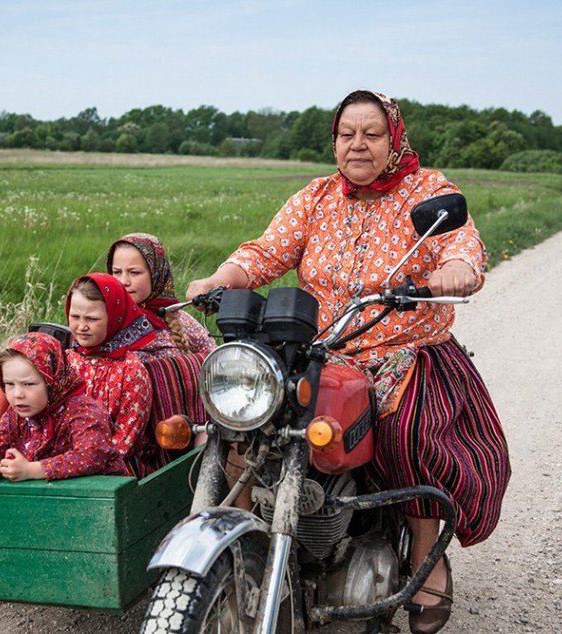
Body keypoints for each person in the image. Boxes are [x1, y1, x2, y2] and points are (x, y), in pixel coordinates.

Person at [186, 90, 511, 634]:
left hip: (401, 348)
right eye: (347, 134)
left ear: (393, 138)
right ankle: (251, 535)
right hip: (324, 347)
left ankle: (424, 558)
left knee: (406, 431)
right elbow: (266, 252)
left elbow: (462, 247)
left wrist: (455, 269)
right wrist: (222, 278)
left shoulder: (429, 190)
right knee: (246, 416)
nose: (358, 144)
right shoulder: (317, 196)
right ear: (334, 140)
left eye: (371, 133)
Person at [0, 332, 129, 496]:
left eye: (28, 384)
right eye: (9, 384)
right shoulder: (15, 416)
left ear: (52, 379)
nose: (17, 394)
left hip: (101, 499)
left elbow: (90, 456)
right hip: (51, 499)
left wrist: (31, 470)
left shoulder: (84, 412)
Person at [65, 272, 162, 477]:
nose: (81, 327)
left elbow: (125, 441)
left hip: (112, 469)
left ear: (114, 317)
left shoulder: (131, 372)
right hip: (62, 462)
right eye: (75, 317)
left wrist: (78, 466)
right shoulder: (64, 362)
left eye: (92, 319)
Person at [106, 232, 215, 361]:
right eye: (117, 272)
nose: (124, 281)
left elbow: (216, 363)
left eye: (134, 272)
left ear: (156, 274)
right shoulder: (103, 320)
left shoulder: (181, 321)